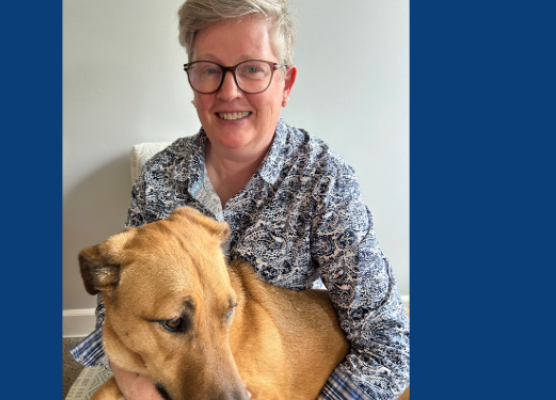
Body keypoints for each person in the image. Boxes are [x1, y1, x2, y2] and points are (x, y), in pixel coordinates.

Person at [71, 0, 410, 399]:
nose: (228, 92)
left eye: (252, 69)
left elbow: (390, 345)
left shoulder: (326, 181)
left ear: (285, 84)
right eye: (210, 70)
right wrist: (137, 387)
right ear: (192, 83)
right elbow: (117, 306)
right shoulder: (160, 177)